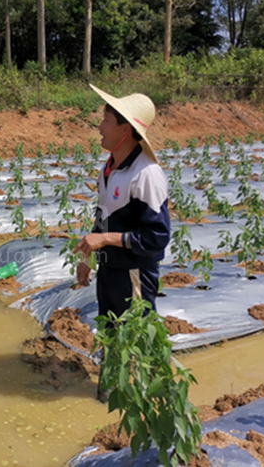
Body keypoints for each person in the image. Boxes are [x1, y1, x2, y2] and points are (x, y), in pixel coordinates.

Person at [73, 85, 170, 399]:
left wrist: (104, 239)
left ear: (124, 130)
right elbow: (103, 215)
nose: (99, 127)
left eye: (105, 120)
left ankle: (153, 403)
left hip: (134, 275)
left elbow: (156, 238)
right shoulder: (111, 167)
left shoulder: (147, 175)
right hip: (109, 271)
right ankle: (110, 399)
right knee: (111, 335)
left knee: (140, 342)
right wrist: (88, 258)